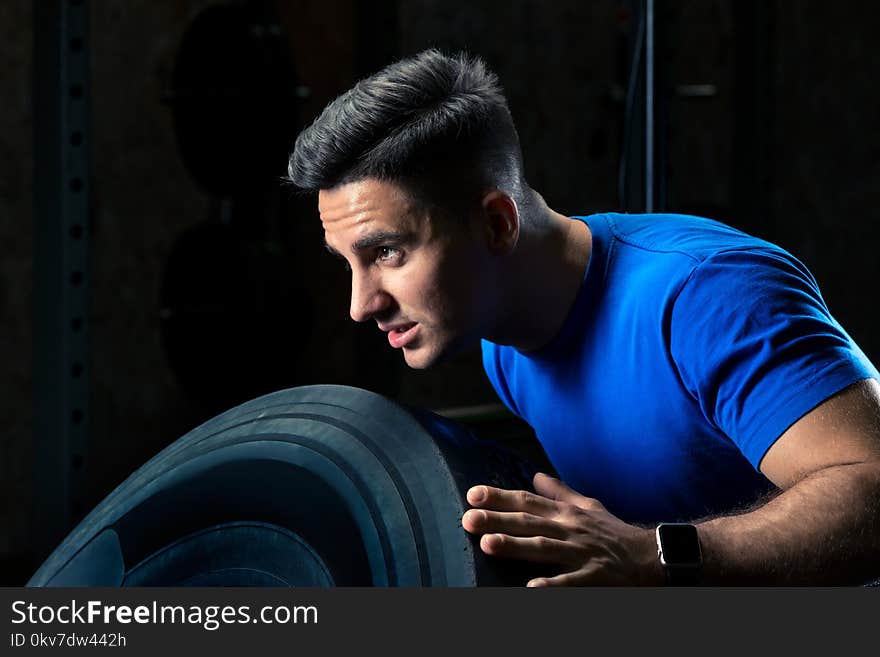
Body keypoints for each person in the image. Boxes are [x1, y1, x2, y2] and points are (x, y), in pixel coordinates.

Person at [287, 49, 880, 585]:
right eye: (348, 263)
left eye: (386, 252)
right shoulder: (503, 340)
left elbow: (872, 487)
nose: (361, 304)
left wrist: (653, 556)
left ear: (496, 223)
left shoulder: (709, 296)